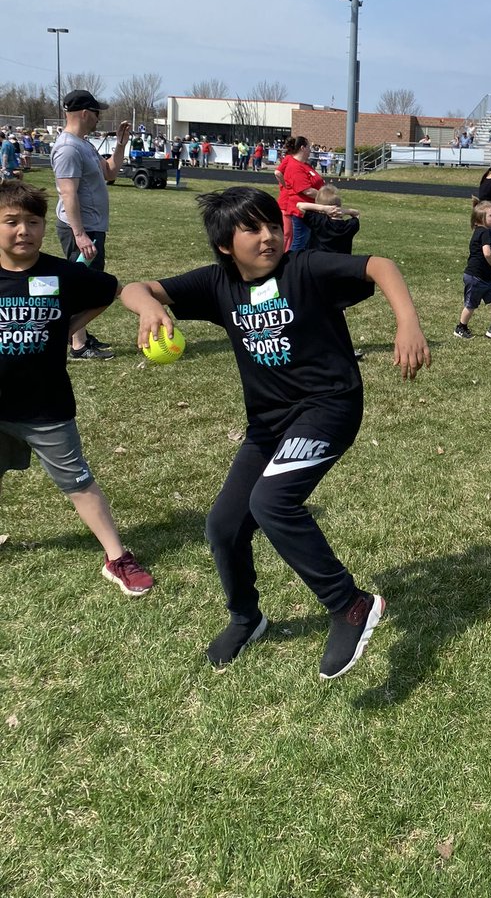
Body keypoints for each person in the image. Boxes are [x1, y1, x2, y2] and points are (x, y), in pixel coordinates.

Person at [120, 185, 429, 675]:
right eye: (252, 229)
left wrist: (407, 321)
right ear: (226, 245)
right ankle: (246, 617)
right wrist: (148, 308)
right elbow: (134, 288)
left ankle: (350, 604)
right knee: (223, 526)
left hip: (328, 407)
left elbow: (380, 265)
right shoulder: (218, 284)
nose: (268, 237)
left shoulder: (303, 268)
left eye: (271, 225)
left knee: (272, 501)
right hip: (267, 425)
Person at [0, 181, 154, 595]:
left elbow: (108, 289)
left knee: (79, 482)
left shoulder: (61, 272)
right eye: (11, 222)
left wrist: (74, 326)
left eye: (33, 222)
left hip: (46, 407)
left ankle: (117, 557)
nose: (23, 231)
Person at [50, 90, 130, 360]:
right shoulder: (68, 148)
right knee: (86, 286)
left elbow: (110, 172)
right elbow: (67, 193)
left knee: (86, 283)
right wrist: (80, 233)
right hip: (81, 229)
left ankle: (78, 337)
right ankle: (77, 344)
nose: (98, 119)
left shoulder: (83, 144)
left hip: (92, 227)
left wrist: (120, 144)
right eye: (97, 113)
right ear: (85, 113)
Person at [454, 201, 491, 342]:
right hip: (476, 277)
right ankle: (461, 327)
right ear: (480, 218)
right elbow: (487, 253)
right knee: (471, 304)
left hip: (486, 278)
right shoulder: (484, 232)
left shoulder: (482, 231)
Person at [276, 136, 324, 253]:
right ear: (302, 148)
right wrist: (326, 197)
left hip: (310, 211)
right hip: (301, 212)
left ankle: (302, 267)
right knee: (298, 244)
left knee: (307, 244)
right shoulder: (294, 165)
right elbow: (306, 190)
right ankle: (291, 267)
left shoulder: (305, 165)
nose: (310, 150)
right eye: (308, 147)